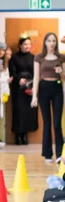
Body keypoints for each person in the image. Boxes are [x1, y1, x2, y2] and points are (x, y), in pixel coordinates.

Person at [32, 32, 65, 163]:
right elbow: (36, 77)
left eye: (54, 41)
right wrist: (34, 96)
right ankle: (47, 154)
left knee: (56, 123)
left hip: (57, 88)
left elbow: (64, 78)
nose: (52, 43)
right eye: (49, 40)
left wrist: (61, 72)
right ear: (45, 42)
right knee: (47, 122)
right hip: (43, 88)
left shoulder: (61, 58)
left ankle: (59, 154)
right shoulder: (39, 57)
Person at [9, 36, 38, 145]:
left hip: (30, 88)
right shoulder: (14, 58)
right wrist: (18, 79)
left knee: (28, 113)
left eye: (29, 44)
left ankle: (25, 135)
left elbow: (36, 73)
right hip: (18, 89)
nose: (27, 46)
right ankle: (18, 136)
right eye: (25, 44)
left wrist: (34, 85)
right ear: (20, 45)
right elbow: (11, 72)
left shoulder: (33, 58)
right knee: (19, 112)